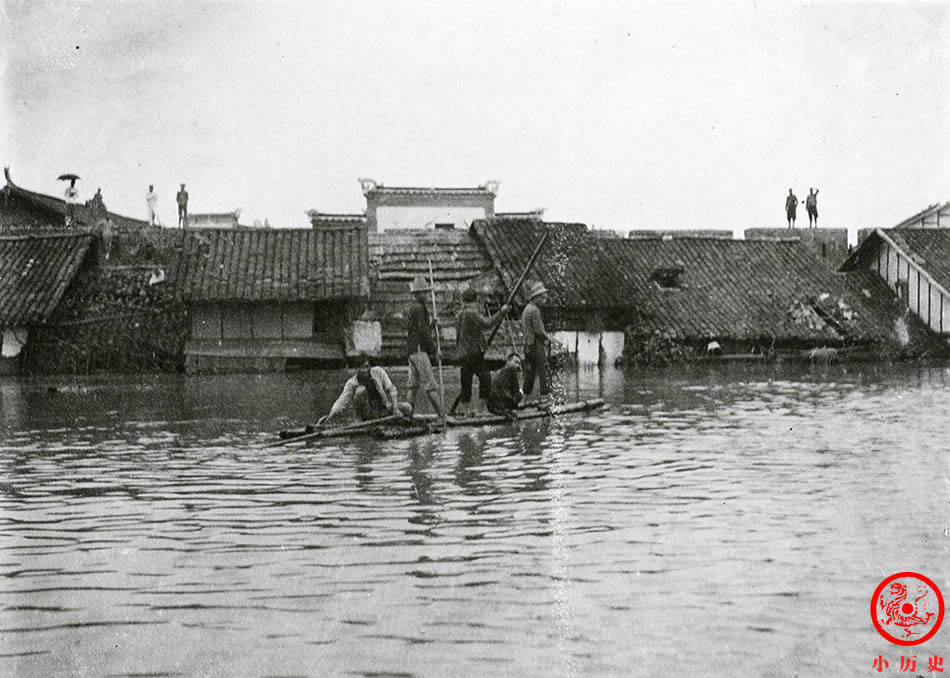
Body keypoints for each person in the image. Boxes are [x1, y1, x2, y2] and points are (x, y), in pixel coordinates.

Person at [455, 287, 510, 416]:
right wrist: (501, 312)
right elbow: (487, 323)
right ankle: (480, 410)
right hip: (473, 352)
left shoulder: (459, 315)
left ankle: (465, 411)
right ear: (475, 301)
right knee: (486, 379)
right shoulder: (471, 313)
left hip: (464, 353)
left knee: (466, 382)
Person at [319, 353, 412, 425]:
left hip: (381, 408)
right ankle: (361, 421)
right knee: (360, 390)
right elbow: (341, 402)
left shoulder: (378, 372)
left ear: (369, 367)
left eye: (366, 367)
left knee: (408, 407)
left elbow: (391, 390)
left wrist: (395, 409)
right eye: (361, 368)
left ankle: (387, 417)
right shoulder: (352, 383)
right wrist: (330, 416)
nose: (364, 370)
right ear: (357, 369)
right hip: (366, 413)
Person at [406, 275, 444, 416]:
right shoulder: (419, 309)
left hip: (412, 352)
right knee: (430, 384)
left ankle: (408, 415)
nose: (427, 295)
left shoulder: (413, 308)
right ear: (418, 294)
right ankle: (441, 415)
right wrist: (434, 351)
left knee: (413, 385)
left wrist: (431, 325)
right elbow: (423, 333)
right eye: (424, 293)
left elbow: (420, 329)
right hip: (419, 351)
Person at [521, 280, 553, 407]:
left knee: (530, 373)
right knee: (543, 370)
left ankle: (524, 400)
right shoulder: (534, 310)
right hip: (535, 344)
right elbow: (539, 330)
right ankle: (545, 400)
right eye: (543, 297)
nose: (545, 299)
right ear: (537, 298)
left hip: (528, 345)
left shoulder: (526, 309)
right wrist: (548, 338)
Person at [488, 352, 524, 417]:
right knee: (520, 392)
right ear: (508, 361)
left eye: (519, 363)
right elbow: (515, 391)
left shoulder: (501, 371)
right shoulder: (512, 370)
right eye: (515, 362)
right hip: (504, 404)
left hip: (493, 406)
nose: (517, 365)